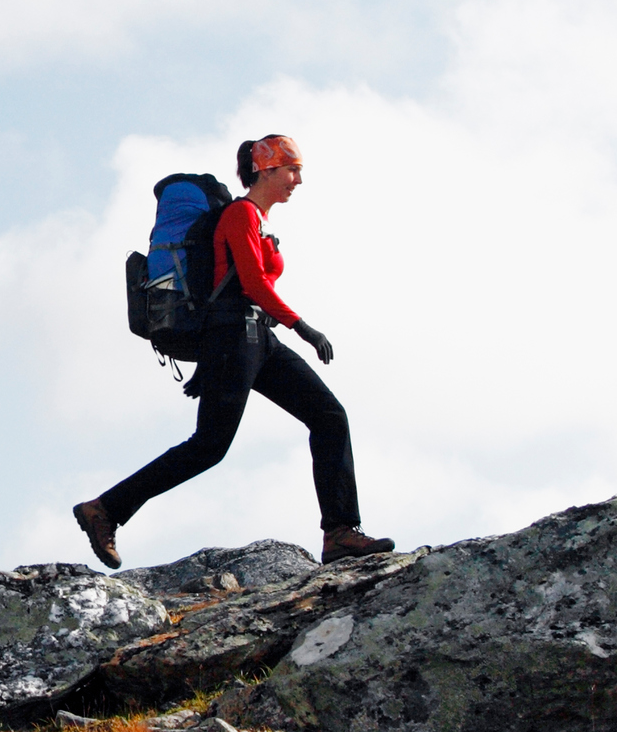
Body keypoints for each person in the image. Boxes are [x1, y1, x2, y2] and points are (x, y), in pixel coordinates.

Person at [73, 134, 394, 567]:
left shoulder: (259, 222)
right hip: (235, 336)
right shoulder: (240, 214)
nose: (298, 180)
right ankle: (105, 509)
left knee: (329, 416)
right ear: (266, 170)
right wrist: (303, 327)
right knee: (209, 446)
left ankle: (340, 532)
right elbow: (252, 282)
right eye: (292, 170)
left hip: (255, 338)